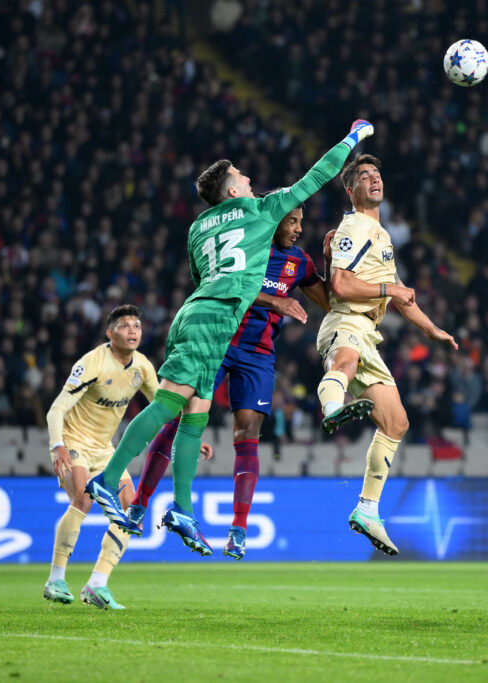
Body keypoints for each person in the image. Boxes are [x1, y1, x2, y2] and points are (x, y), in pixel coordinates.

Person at [85, 120, 376, 556]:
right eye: (243, 177)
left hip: (200, 313)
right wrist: (353, 137)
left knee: (194, 414)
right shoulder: (261, 210)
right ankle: (107, 481)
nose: (251, 180)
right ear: (234, 191)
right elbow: (317, 176)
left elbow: (203, 275)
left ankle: (182, 508)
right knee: (168, 404)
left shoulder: (197, 228)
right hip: (216, 319)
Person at [130, 200, 329, 561]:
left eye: (302, 221)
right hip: (219, 340)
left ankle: (238, 530)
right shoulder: (246, 245)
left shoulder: (300, 262)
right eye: (292, 221)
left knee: (247, 433)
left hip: (259, 354)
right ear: (274, 221)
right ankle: (139, 505)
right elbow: (219, 284)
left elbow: (330, 300)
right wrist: (275, 302)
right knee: (176, 417)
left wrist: (337, 265)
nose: (299, 228)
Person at [315, 153, 458, 555]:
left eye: (378, 173)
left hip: (368, 332)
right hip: (347, 322)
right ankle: (331, 409)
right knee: (344, 362)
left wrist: (432, 330)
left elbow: (399, 290)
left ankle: (367, 509)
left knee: (396, 423)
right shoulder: (354, 225)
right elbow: (340, 288)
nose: (374, 179)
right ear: (351, 190)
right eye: (364, 175)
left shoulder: (380, 234)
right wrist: (389, 292)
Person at [43, 305, 174, 609]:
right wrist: (57, 445)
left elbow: (164, 408)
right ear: (110, 333)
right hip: (74, 440)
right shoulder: (92, 363)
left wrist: (192, 437)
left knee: (131, 508)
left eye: (137, 326)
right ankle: (55, 579)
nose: (132, 330)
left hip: (104, 449)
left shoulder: (142, 367)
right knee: (83, 499)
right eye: (125, 325)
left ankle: (97, 584)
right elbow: (57, 409)